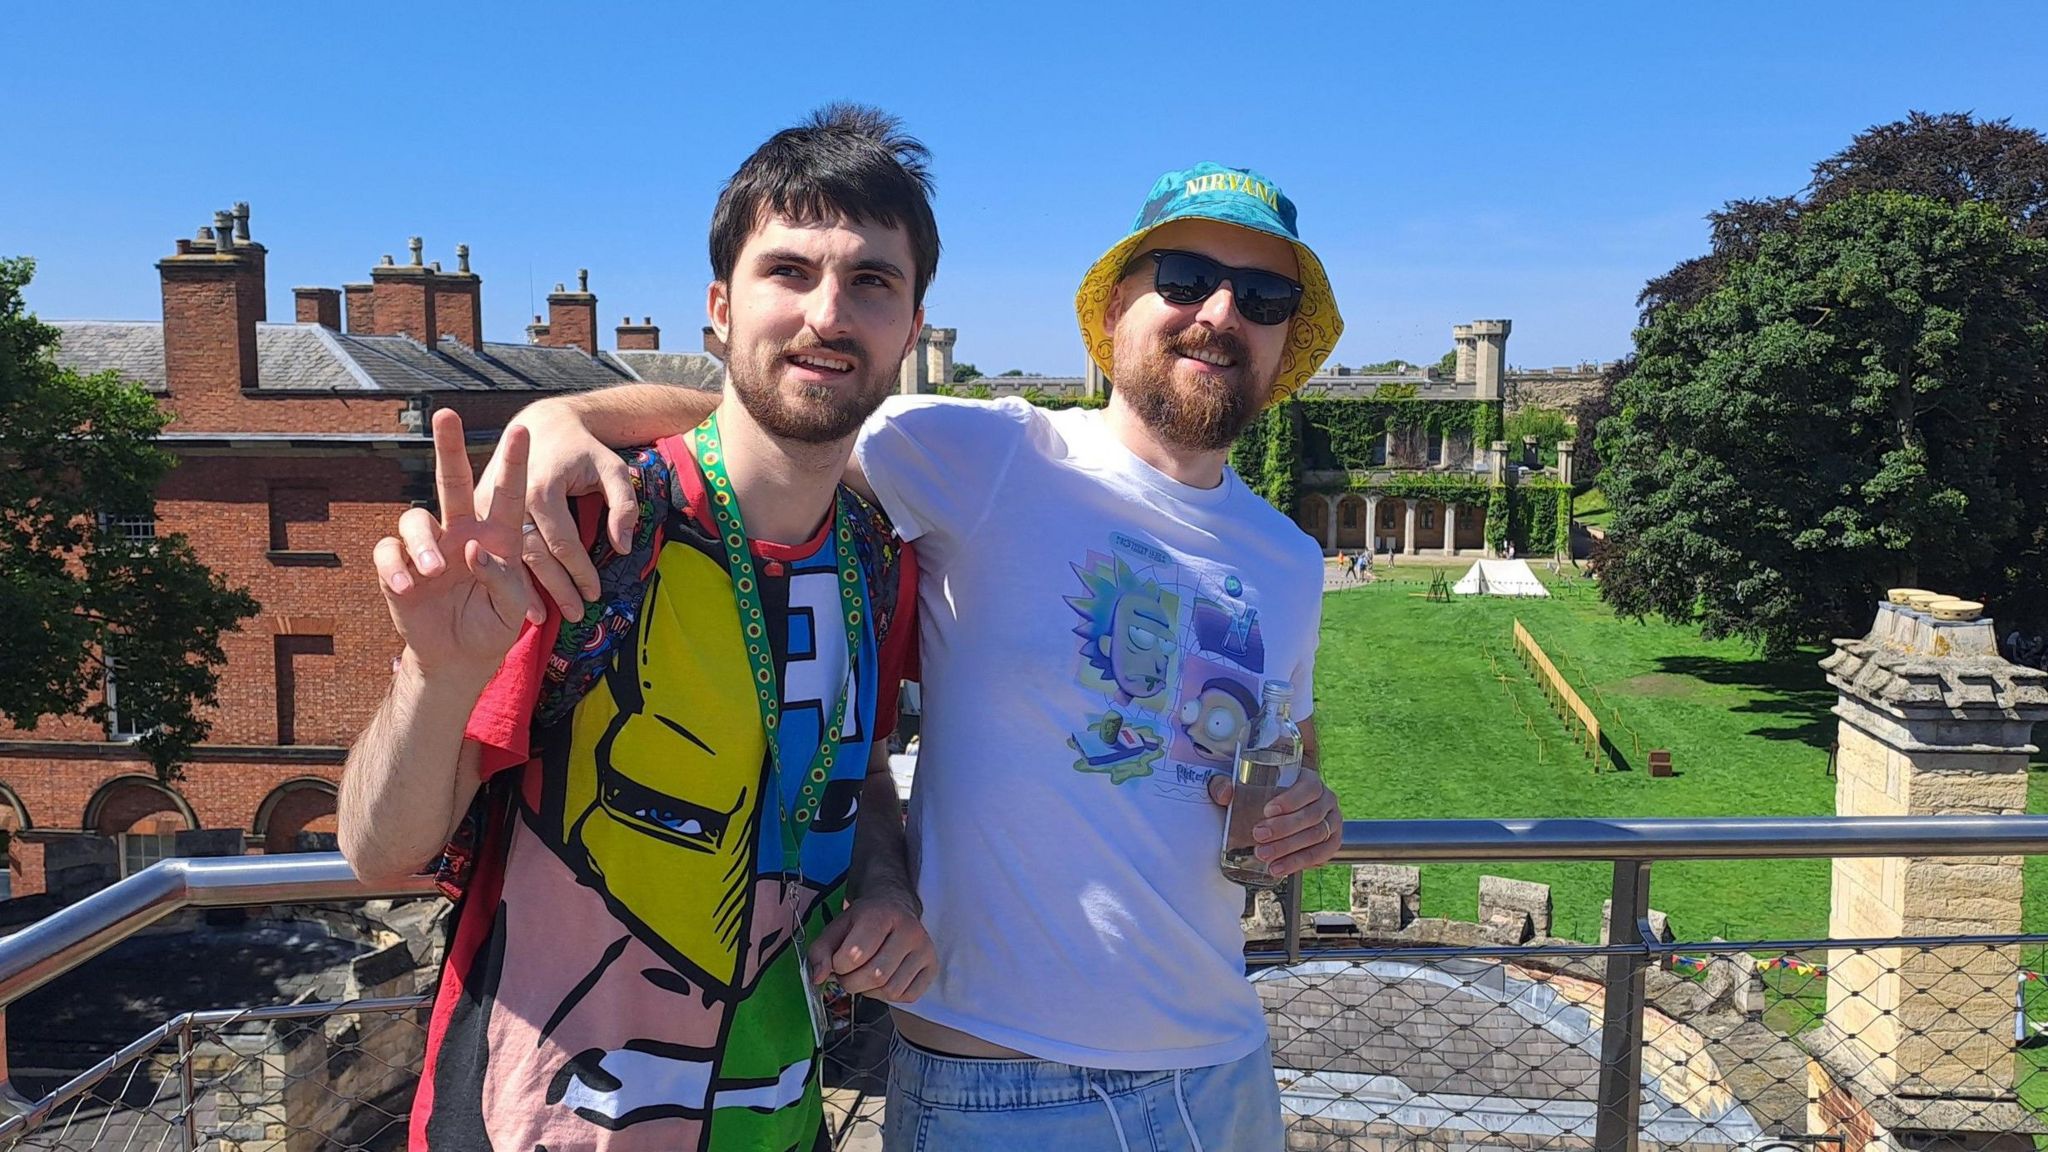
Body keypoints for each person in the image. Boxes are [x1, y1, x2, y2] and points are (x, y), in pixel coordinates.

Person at [502, 161, 1348, 1148]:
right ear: (1118, 305)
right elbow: (773, 427)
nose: (1218, 311)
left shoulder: (1287, 561)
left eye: (1261, 296)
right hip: (999, 1083)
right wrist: (561, 416)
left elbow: (1280, 763)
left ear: (1284, 338)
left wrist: (1305, 815)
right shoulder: (988, 456)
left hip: (1222, 1073)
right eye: (1181, 278)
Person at [337, 105, 940, 1151]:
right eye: (788, 272)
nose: (827, 314)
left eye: (870, 281)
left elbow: (866, 766)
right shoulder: (595, 527)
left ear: (913, 322)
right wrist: (433, 679)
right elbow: (379, 851)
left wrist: (886, 881)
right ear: (719, 307)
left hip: (776, 1123)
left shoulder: (876, 557)